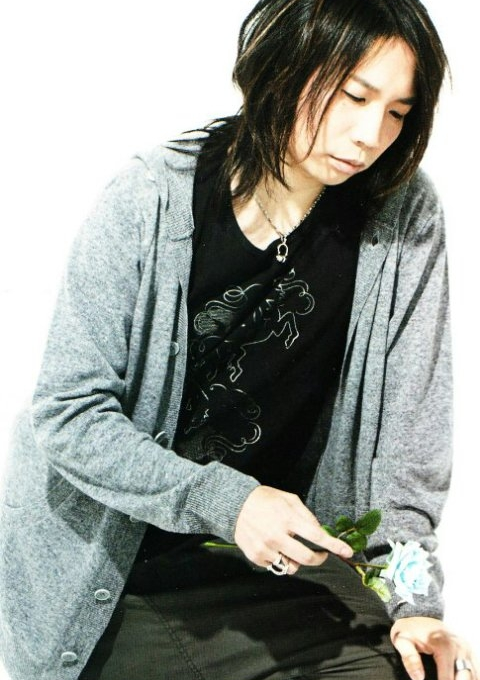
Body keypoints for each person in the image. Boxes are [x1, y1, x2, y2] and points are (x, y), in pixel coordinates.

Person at [0, 0, 476, 679]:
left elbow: (404, 466)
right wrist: (230, 502)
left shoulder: (403, 218)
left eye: (398, 112)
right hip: (113, 572)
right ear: (284, 66)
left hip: (271, 570)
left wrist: (417, 604)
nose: (372, 134)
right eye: (353, 96)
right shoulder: (150, 198)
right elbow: (69, 413)